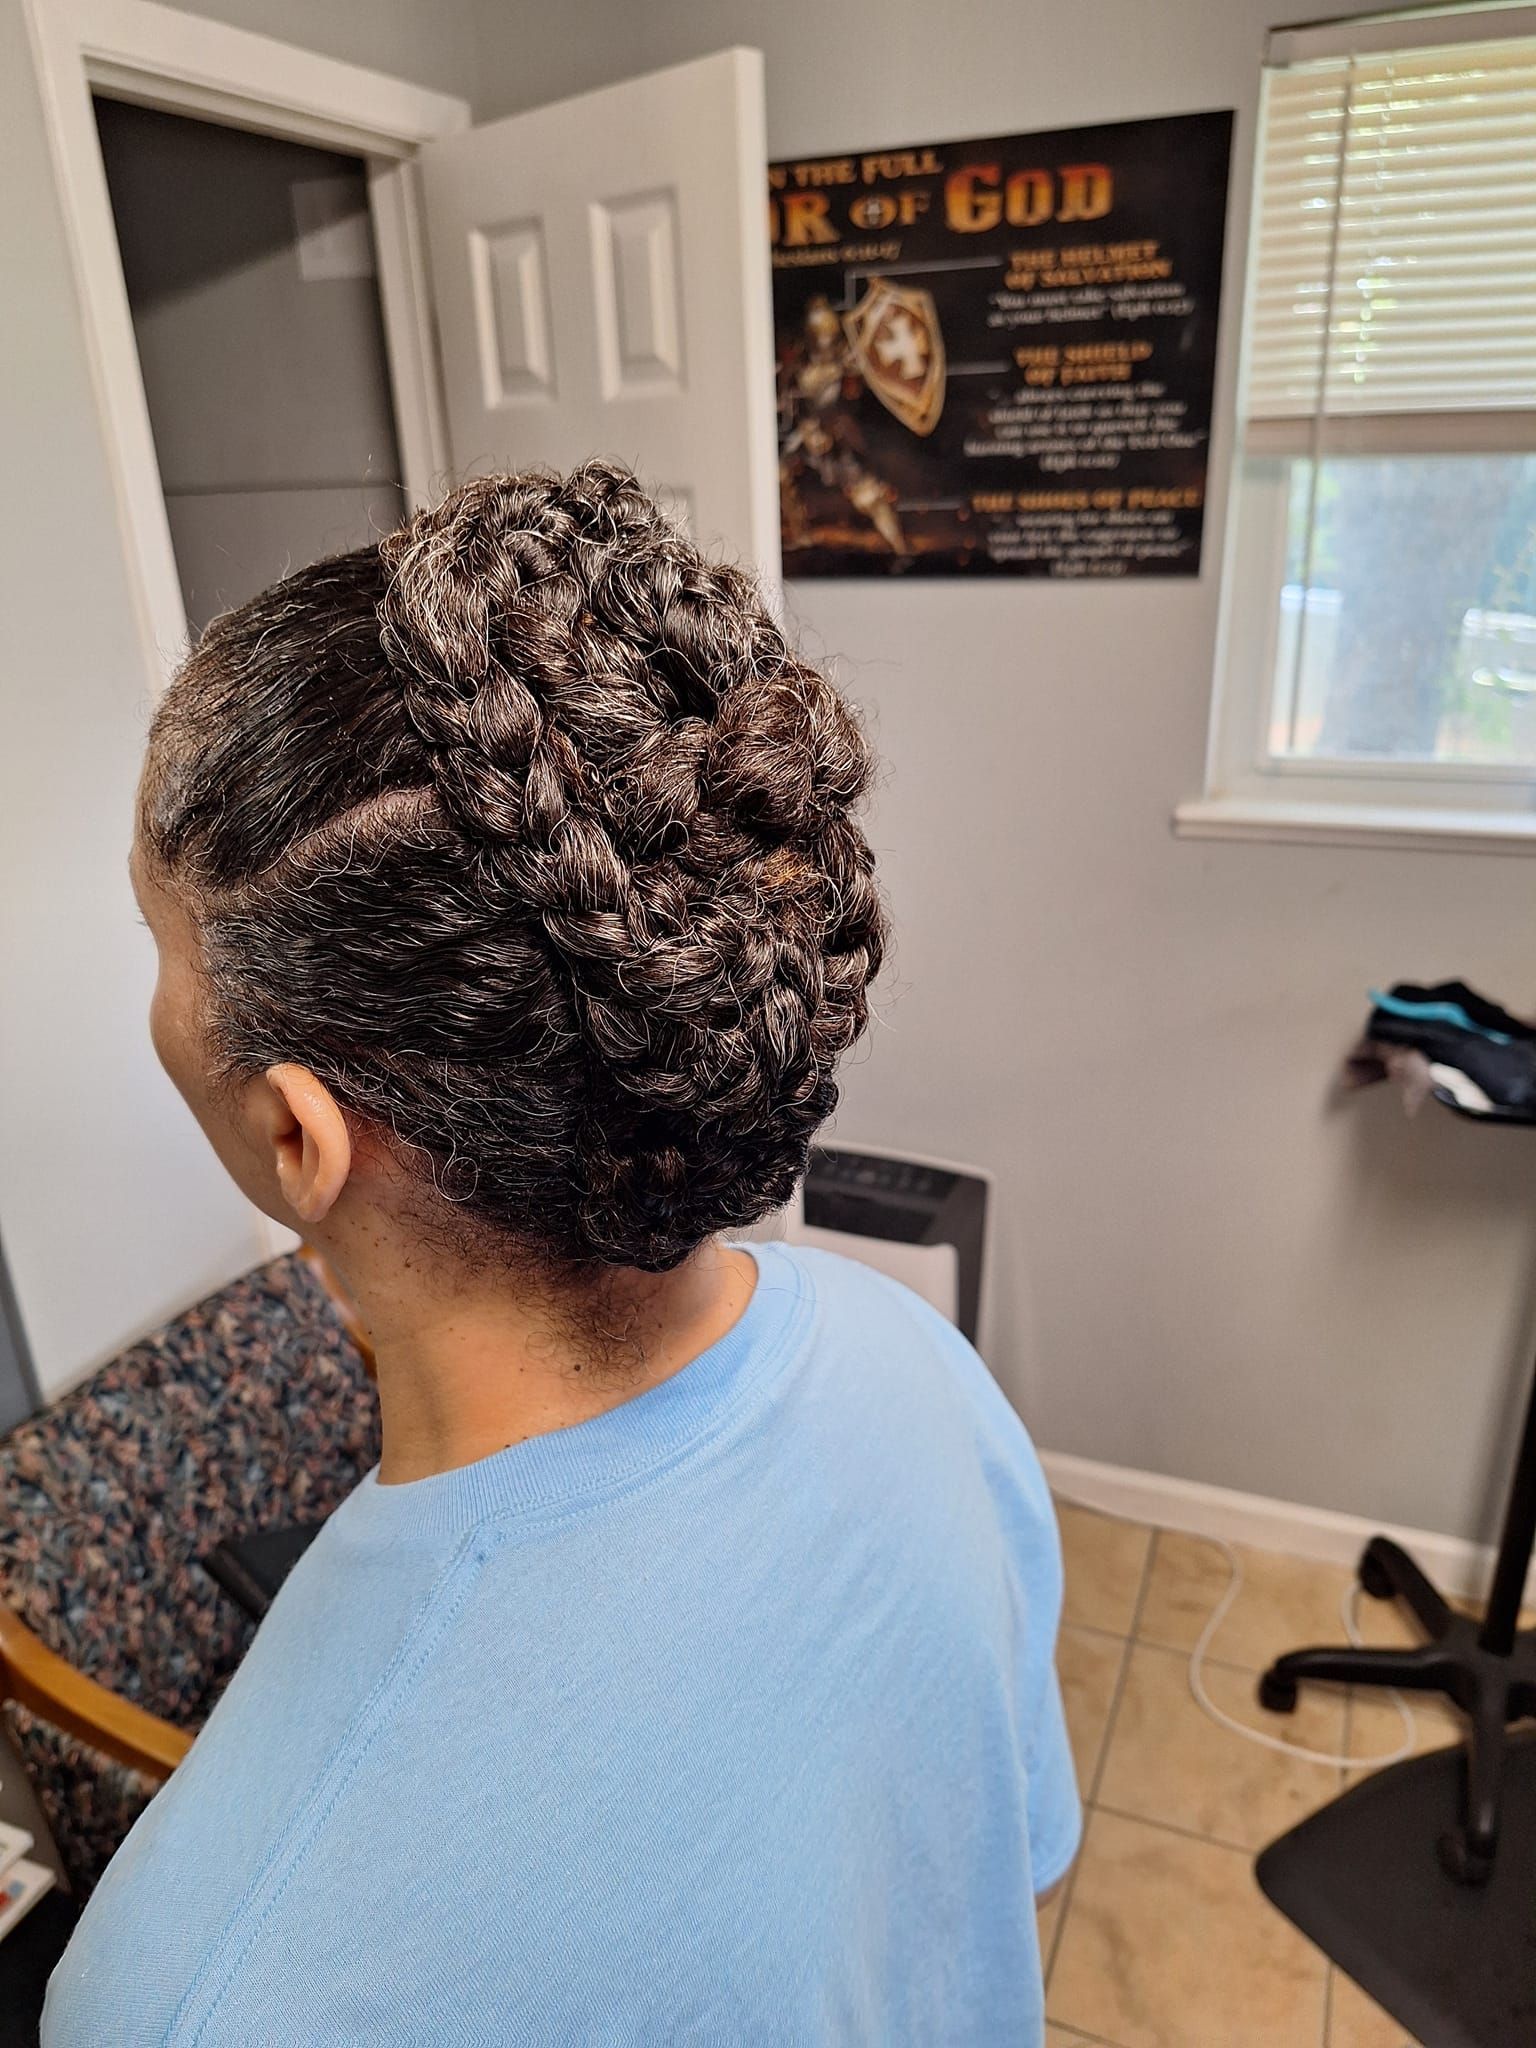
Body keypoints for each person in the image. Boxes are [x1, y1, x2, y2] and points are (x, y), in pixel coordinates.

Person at [45, 462, 1078, 2044]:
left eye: (156, 943)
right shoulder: (919, 1373)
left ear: (296, 1139)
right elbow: (984, 1887)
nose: (154, 1002)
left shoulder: (198, 1986)